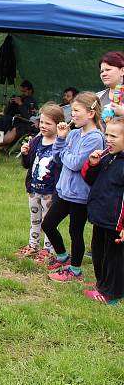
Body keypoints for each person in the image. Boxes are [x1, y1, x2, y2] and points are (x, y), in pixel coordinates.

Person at [41, 92, 104, 283]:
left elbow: (76, 164)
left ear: (90, 114)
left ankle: (75, 270)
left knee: (75, 232)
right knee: (48, 224)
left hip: (81, 196)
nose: (72, 115)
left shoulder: (95, 138)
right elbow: (58, 158)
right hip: (64, 191)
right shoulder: (74, 133)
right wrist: (61, 139)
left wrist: (65, 152)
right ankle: (62, 257)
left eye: (76, 110)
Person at [81, 116, 124, 305]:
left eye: (114, 136)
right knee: (99, 253)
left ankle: (112, 294)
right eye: (107, 134)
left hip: (116, 222)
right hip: (100, 216)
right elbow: (91, 180)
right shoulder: (107, 157)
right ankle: (102, 284)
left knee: (114, 259)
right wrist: (92, 164)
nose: (108, 139)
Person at [17, 102, 64, 263]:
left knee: (48, 222)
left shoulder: (60, 143)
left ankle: (48, 249)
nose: (43, 126)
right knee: (34, 219)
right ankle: (33, 245)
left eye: (48, 123)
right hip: (34, 188)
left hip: (50, 191)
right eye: (41, 122)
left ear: (58, 125)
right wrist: (25, 154)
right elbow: (27, 165)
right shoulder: (36, 141)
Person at [0, 80, 38, 146]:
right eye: (21, 91)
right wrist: (10, 103)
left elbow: (29, 118)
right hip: (12, 120)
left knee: (11, 123)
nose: (22, 93)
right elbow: (6, 113)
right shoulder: (20, 98)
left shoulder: (32, 102)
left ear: (30, 91)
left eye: (24, 91)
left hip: (24, 123)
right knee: (0, 121)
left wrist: (20, 104)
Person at [96, 51, 124, 118]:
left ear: (122, 71)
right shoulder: (97, 97)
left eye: (108, 70)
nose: (103, 74)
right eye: (101, 71)